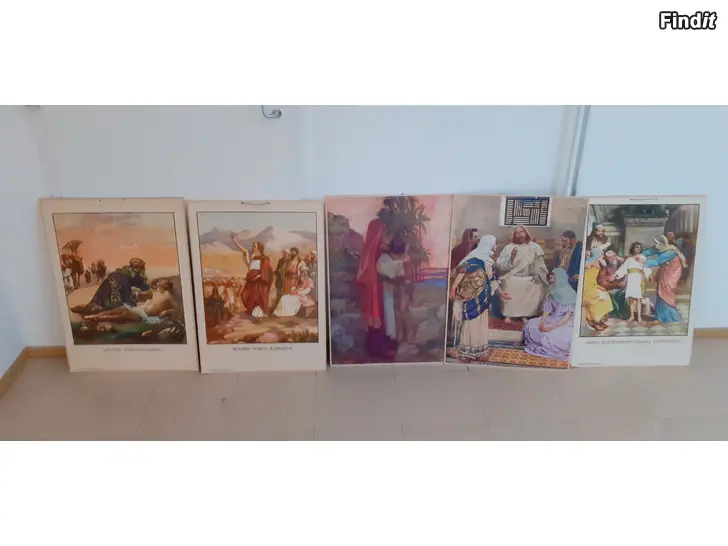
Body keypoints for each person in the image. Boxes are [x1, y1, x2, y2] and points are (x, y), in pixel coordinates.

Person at [449, 235, 511, 362]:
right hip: (473, 298)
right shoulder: (476, 259)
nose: (495, 246)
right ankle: (467, 352)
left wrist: (501, 293)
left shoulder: (488, 261)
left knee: (481, 324)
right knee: (472, 323)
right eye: (494, 243)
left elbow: (492, 279)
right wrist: (453, 288)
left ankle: (480, 351)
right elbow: (462, 272)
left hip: (484, 297)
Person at [495, 225, 548, 324]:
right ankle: (508, 314)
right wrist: (511, 259)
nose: (520, 235)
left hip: (527, 276)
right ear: (514, 235)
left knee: (537, 284)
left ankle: (524, 314)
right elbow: (499, 265)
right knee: (508, 283)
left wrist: (537, 273)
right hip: (511, 276)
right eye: (517, 233)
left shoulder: (535, 247)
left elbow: (539, 263)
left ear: (526, 233)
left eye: (522, 232)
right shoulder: (508, 248)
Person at [524, 268, 577, 361]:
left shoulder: (569, 293)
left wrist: (552, 328)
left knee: (549, 336)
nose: (550, 276)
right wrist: (542, 321)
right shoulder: (553, 289)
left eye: (553, 275)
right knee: (531, 324)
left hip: (565, 321)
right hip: (554, 317)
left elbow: (567, 316)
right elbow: (547, 308)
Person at [70, 258, 150, 315]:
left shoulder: (121, 273)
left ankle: (87, 308)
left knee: (94, 307)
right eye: (141, 269)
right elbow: (126, 298)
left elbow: (142, 285)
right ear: (136, 269)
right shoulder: (124, 277)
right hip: (109, 303)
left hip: (101, 300)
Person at [84, 279, 176, 325]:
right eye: (158, 283)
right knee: (120, 309)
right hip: (139, 309)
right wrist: (135, 291)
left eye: (161, 283)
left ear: (166, 286)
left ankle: (99, 318)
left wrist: (166, 311)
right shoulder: (155, 292)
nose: (158, 283)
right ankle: (95, 315)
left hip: (144, 315)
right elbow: (142, 294)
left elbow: (175, 309)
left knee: (125, 314)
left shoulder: (167, 296)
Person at [642, 234, 688, 324]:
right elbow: (650, 251)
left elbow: (657, 261)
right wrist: (639, 254)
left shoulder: (669, 252)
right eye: (655, 243)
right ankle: (660, 316)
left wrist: (641, 262)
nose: (655, 245)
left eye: (657, 243)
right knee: (660, 293)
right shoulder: (662, 248)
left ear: (662, 244)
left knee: (666, 294)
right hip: (664, 272)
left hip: (671, 275)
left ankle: (670, 317)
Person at [233, 236, 274, 323]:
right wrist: (235, 241)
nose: (253, 248)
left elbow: (267, 271)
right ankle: (257, 317)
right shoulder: (253, 257)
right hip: (252, 281)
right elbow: (244, 251)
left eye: (255, 246)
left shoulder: (264, 258)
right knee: (246, 295)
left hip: (260, 282)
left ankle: (259, 318)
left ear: (259, 248)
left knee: (259, 299)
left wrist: (259, 276)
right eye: (253, 246)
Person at [376, 237, 407, 343]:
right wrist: (399, 277)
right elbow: (394, 276)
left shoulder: (393, 260)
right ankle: (389, 337)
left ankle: (393, 336)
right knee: (388, 313)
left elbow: (400, 274)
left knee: (394, 313)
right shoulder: (384, 260)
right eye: (398, 255)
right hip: (385, 291)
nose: (400, 257)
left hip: (391, 290)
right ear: (392, 252)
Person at [613, 242, 651, 325]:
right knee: (631, 298)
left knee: (638, 298)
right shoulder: (629, 259)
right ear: (633, 248)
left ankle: (639, 317)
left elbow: (645, 267)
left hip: (638, 278)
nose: (638, 249)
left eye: (639, 247)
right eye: (636, 247)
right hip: (630, 279)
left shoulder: (642, 258)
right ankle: (632, 316)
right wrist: (616, 275)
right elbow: (623, 268)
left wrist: (648, 275)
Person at [581, 248, 614, 331]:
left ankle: (598, 320)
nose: (603, 256)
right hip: (587, 286)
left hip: (593, 285)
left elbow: (593, 278)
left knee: (605, 296)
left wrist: (599, 287)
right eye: (601, 254)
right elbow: (586, 274)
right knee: (595, 301)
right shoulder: (593, 262)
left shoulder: (596, 262)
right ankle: (595, 321)